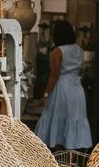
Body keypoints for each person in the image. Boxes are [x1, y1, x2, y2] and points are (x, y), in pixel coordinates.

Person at [34, 20, 92, 150]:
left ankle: (59, 157)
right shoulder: (79, 50)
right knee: (72, 120)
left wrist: (45, 95)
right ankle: (70, 160)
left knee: (59, 121)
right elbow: (81, 69)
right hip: (76, 89)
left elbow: (55, 75)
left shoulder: (58, 51)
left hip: (62, 89)